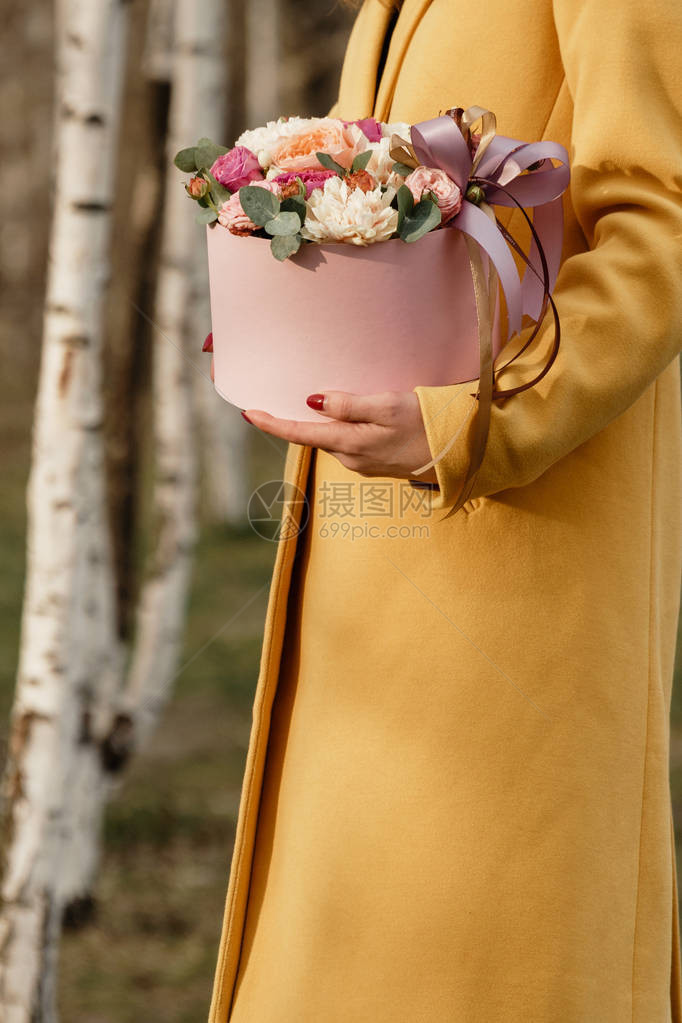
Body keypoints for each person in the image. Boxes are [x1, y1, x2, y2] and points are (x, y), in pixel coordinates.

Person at [207, 1, 682, 1019]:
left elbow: (660, 219)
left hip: (519, 567)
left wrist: (481, 421)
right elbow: (361, 172)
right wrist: (285, 311)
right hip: (361, 587)